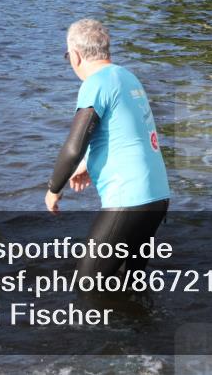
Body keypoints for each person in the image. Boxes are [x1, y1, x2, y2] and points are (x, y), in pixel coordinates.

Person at [45, 19, 170, 279]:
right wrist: (88, 164)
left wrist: (53, 188)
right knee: (129, 284)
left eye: (67, 55)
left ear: (76, 56)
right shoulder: (126, 77)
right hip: (157, 196)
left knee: (87, 285)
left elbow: (73, 146)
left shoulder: (95, 83)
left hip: (129, 200)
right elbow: (126, 132)